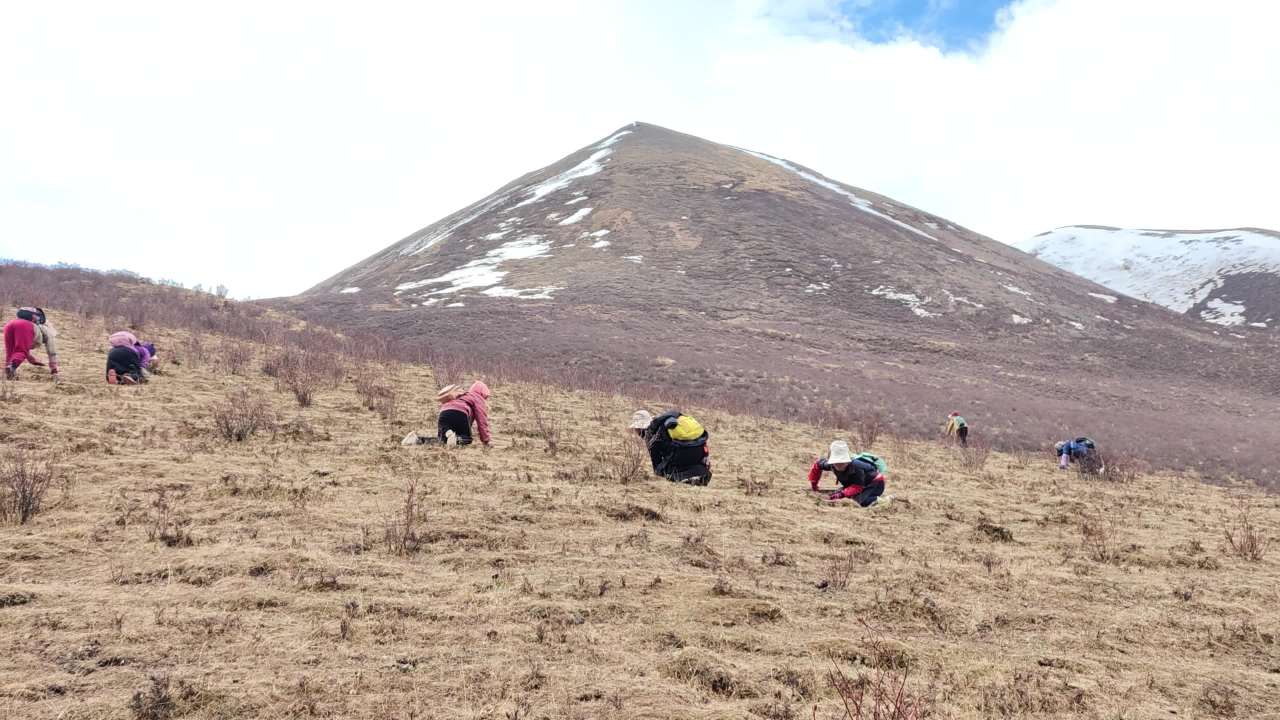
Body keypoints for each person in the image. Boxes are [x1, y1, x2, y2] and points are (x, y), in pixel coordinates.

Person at [630, 409, 712, 485]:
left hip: (683, 453)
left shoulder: (651, 434)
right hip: (699, 450)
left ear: (640, 428)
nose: (636, 432)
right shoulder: (669, 422)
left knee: (666, 472)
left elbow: (656, 462)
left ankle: (689, 478)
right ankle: (701, 473)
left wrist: (659, 474)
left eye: (637, 429)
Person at [402, 381, 492, 447]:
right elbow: (482, 421)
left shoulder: (461, 394)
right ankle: (456, 439)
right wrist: (486, 441)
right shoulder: (477, 398)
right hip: (460, 413)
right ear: (483, 392)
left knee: (441, 440)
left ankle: (415, 439)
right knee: (467, 439)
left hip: (444, 413)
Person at [808, 440, 886, 506]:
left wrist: (841, 494)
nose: (839, 465)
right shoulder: (830, 465)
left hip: (875, 482)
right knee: (837, 495)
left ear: (848, 461)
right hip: (855, 483)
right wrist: (814, 485)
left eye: (842, 462)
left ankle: (884, 500)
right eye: (836, 463)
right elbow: (817, 466)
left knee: (860, 503)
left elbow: (857, 486)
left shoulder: (856, 466)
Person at [4, 307, 59, 380]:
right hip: (25, 327)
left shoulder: (19, 320)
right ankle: (12, 367)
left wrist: (31, 359)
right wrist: (54, 369)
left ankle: (8, 373)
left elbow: (22, 345)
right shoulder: (48, 331)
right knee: (21, 351)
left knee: (10, 352)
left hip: (10, 324)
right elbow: (52, 351)